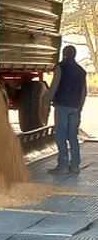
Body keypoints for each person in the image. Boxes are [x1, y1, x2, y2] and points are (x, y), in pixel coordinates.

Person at [46, 45, 88, 175]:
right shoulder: (81, 71)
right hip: (75, 107)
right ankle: (75, 165)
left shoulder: (60, 67)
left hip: (62, 106)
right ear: (74, 55)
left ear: (64, 54)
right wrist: (79, 107)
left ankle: (63, 165)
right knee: (72, 136)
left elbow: (54, 86)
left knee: (60, 135)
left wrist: (46, 101)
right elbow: (84, 92)